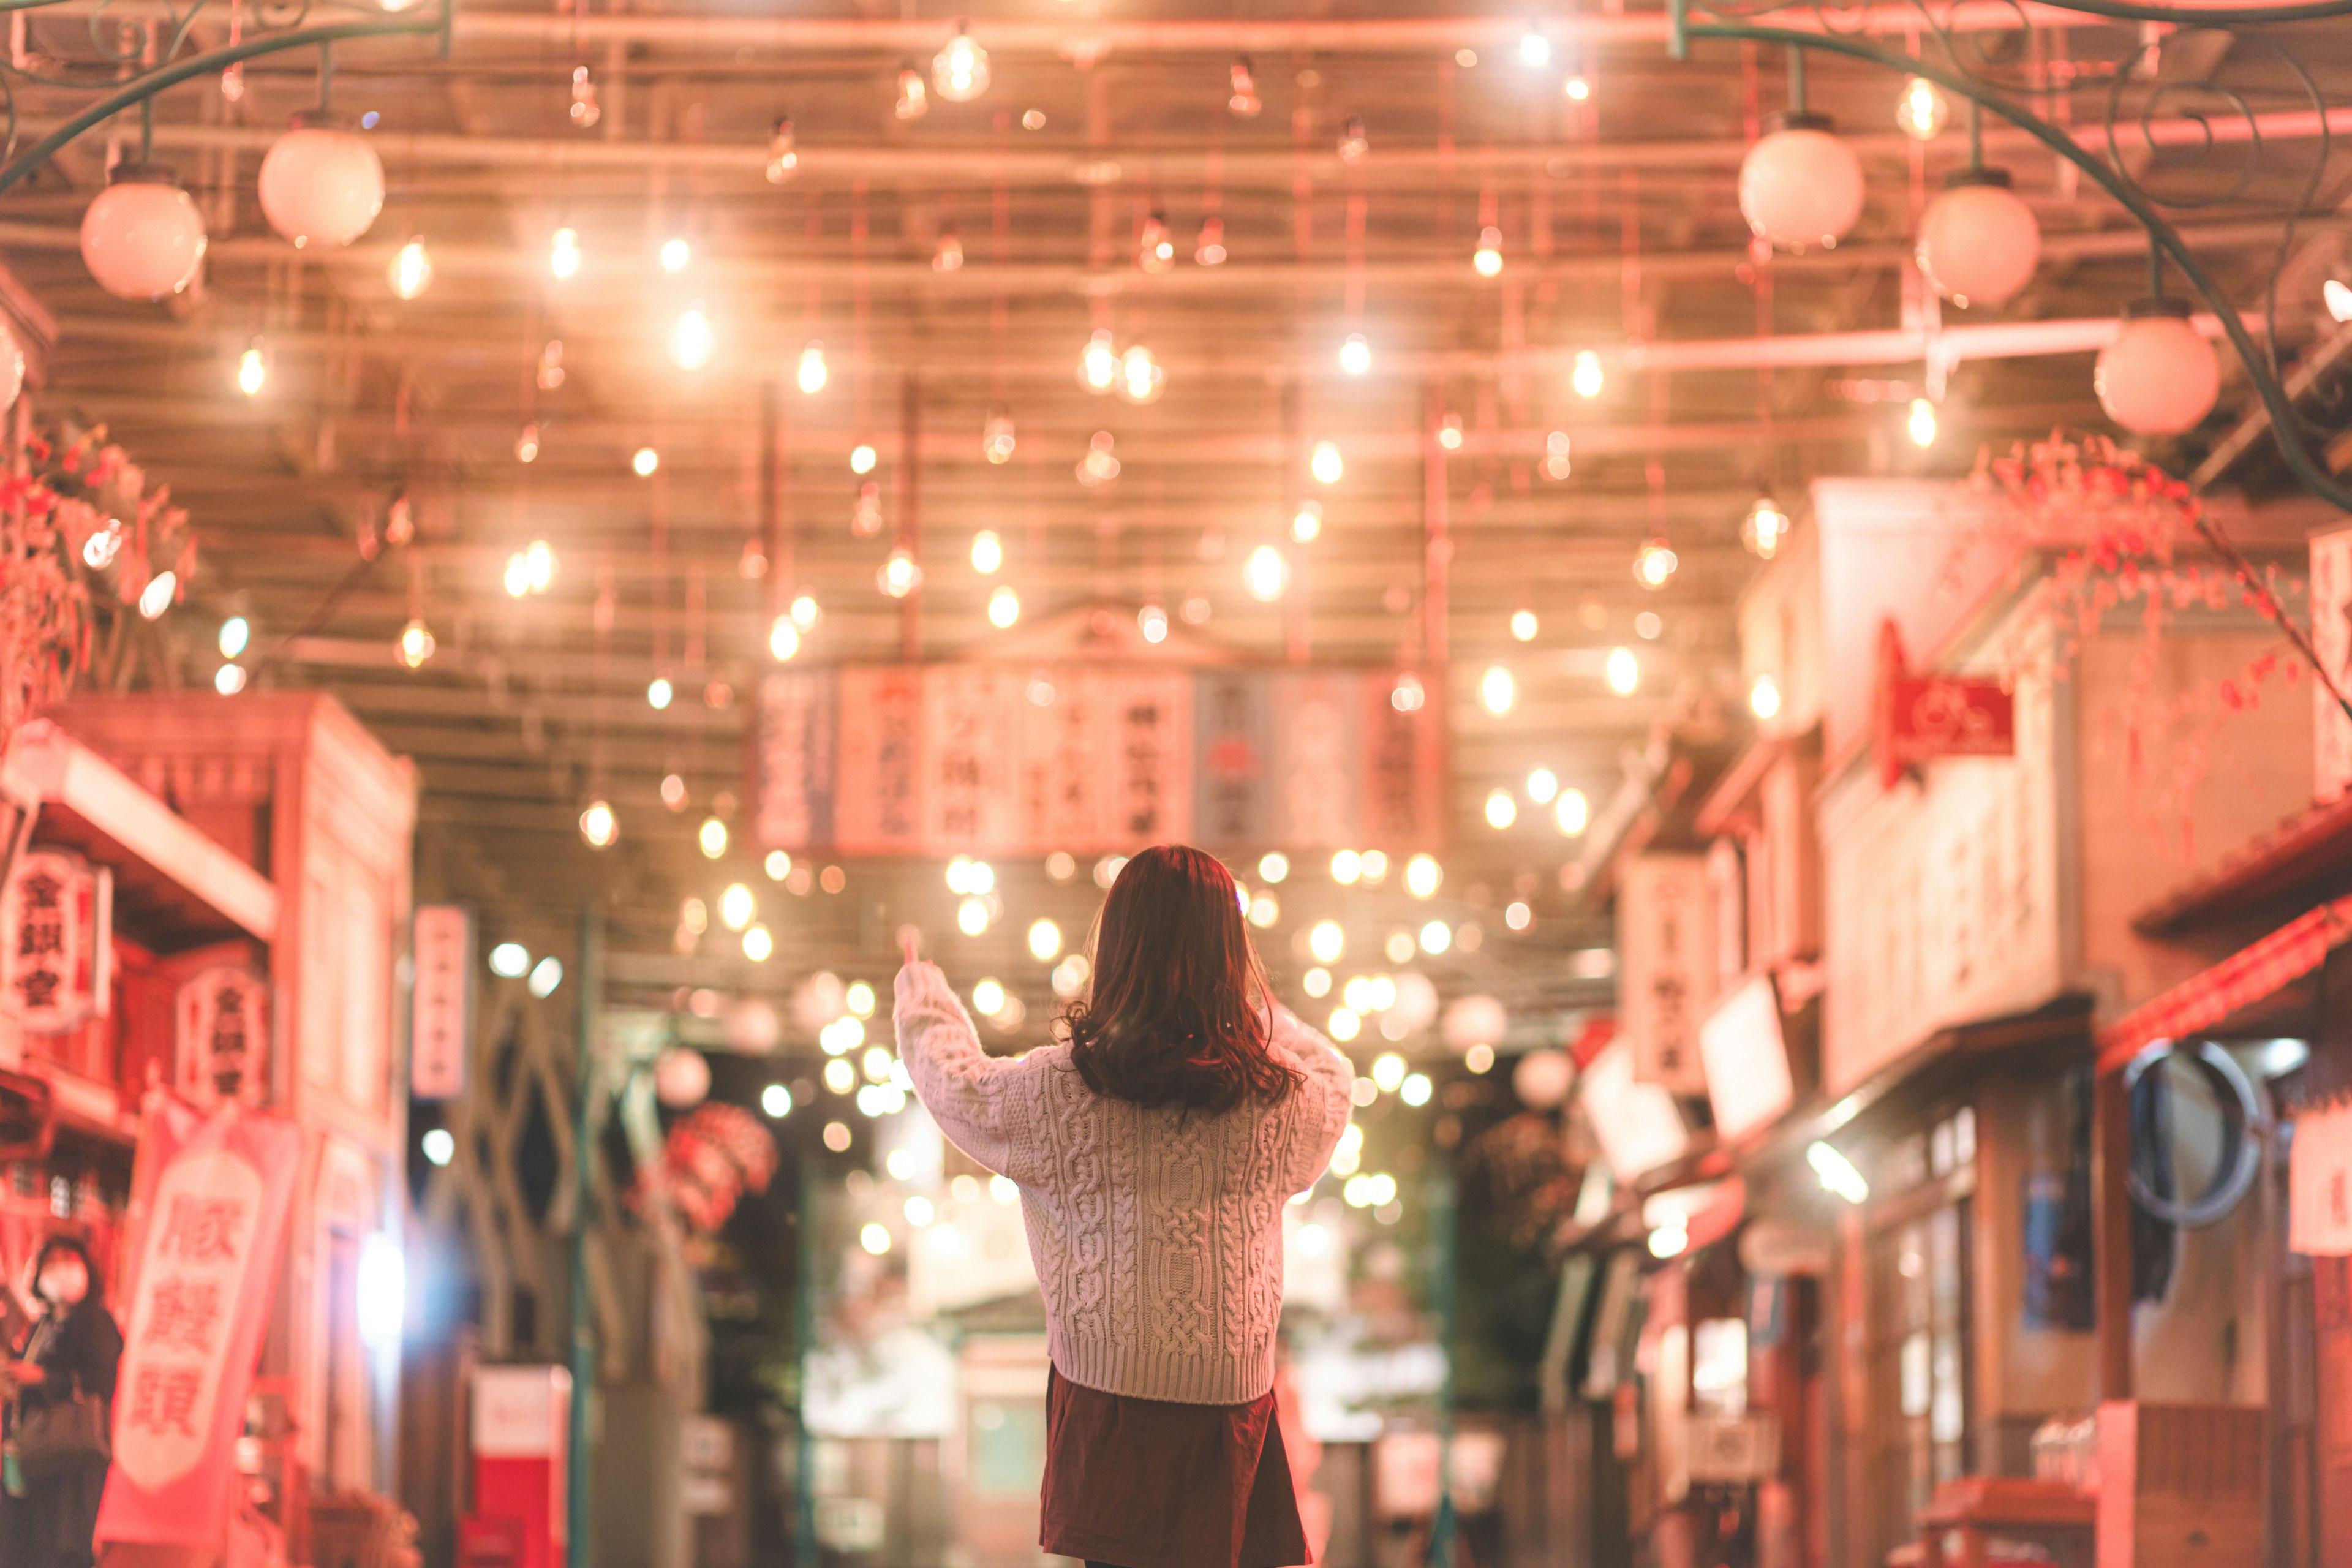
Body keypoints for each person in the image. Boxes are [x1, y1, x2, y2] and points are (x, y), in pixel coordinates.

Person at [895, 843, 1354, 1568]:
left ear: (1114, 947)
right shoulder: (1279, 1099)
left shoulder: (1058, 1089)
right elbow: (1337, 1076)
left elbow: (958, 1086)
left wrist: (924, 996)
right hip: (1231, 1402)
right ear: (1230, 951)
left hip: (1107, 1394)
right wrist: (1257, 1009)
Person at [2, 1235, 123, 1568]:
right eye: (52, 1262)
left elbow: (100, 1383)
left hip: (73, 1450)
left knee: (64, 1544)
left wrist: (41, 1378)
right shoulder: (45, 1324)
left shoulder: (96, 1322)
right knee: (25, 1539)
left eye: (70, 1260)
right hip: (33, 1447)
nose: (61, 1270)